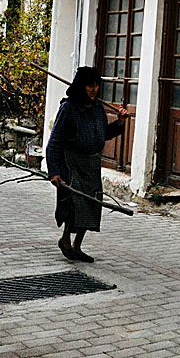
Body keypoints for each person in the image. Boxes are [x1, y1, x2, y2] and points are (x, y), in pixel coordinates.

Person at [46, 66, 128, 263]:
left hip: (91, 164)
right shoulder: (69, 108)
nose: (93, 90)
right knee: (74, 203)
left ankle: (78, 246)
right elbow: (54, 142)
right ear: (81, 86)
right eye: (89, 86)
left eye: (96, 86)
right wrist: (54, 172)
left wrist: (120, 123)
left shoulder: (99, 109)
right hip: (72, 163)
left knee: (91, 204)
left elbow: (103, 134)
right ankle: (65, 240)